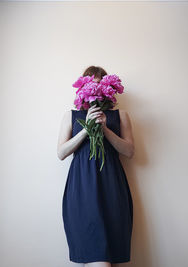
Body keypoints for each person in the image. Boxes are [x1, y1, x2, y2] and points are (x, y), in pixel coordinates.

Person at [57, 66, 135, 267]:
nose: (96, 89)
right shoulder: (71, 116)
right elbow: (61, 153)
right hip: (82, 190)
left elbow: (129, 151)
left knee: (111, 258)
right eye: (91, 84)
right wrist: (86, 129)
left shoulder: (121, 115)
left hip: (112, 188)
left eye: (100, 84)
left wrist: (105, 129)